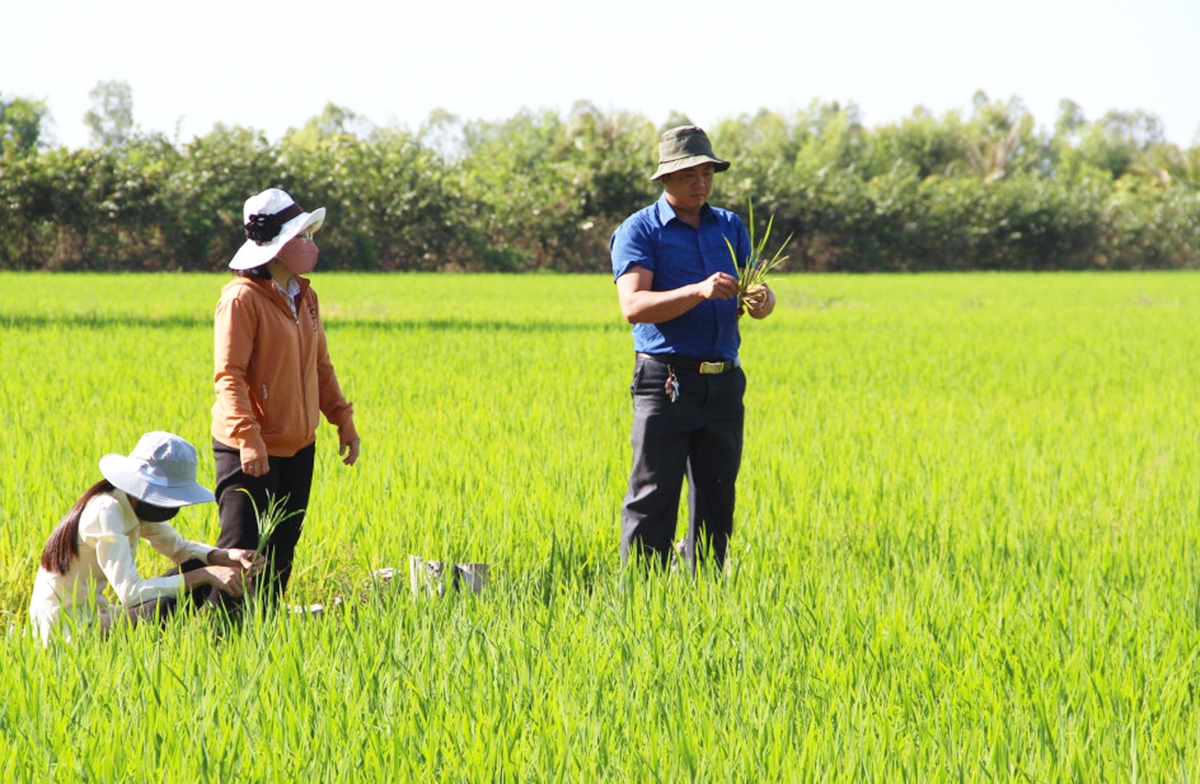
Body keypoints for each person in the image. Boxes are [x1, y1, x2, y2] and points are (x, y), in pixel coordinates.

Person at [609, 125, 776, 572]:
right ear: (665, 179)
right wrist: (699, 291)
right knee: (652, 499)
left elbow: (759, 293)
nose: (700, 183)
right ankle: (643, 606)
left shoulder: (730, 226)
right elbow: (633, 305)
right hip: (665, 382)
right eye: (689, 175)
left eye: (707, 173)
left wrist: (763, 301)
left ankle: (704, 605)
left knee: (717, 501)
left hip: (723, 384)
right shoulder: (640, 230)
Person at [211, 188, 360, 608]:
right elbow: (229, 375)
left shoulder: (305, 295)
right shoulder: (241, 299)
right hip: (248, 449)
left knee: (281, 553)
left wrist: (342, 420)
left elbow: (320, 365)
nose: (311, 245)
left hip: (299, 445)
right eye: (303, 237)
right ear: (277, 245)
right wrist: (247, 438)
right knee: (242, 553)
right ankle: (222, 639)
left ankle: (265, 633)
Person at [28, 431, 261, 644]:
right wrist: (206, 574)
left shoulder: (130, 503)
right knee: (191, 583)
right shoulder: (107, 511)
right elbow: (131, 593)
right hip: (68, 631)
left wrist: (223, 556)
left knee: (200, 566)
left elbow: (178, 548)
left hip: (95, 615)